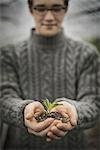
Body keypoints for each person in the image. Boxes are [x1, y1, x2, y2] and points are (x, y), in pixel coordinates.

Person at [0, 0, 100, 150]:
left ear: (65, 9)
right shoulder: (8, 55)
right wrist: (23, 111)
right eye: (40, 8)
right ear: (31, 10)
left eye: (56, 8)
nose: (49, 17)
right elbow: (4, 98)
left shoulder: (87, 54)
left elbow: (93, 103)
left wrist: (74, 111)